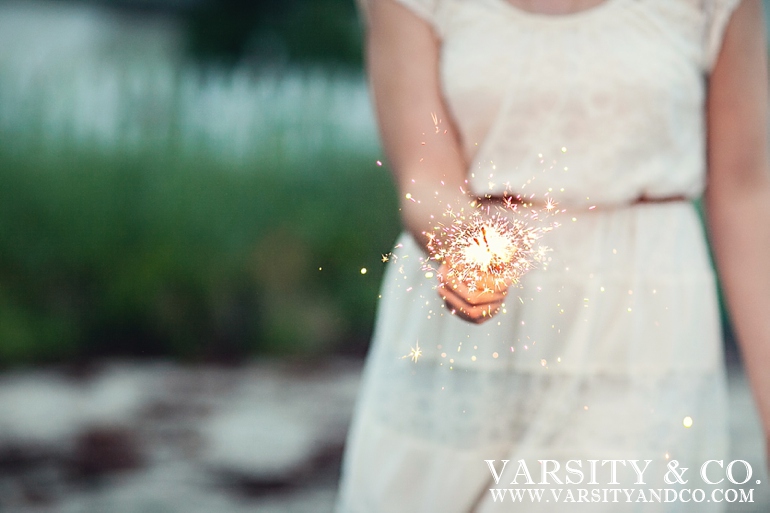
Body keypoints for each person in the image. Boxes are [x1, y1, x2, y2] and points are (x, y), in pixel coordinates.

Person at [336, 0, 770, 511]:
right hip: (463, 345)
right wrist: (464, 243)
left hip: (640, 333)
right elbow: (424, 177)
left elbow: (746, 193)